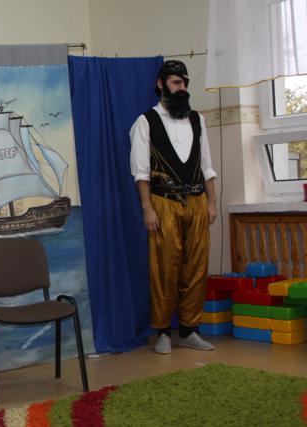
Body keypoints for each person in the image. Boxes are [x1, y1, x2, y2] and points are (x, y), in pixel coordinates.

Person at [129, 60, 217, 355]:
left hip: (197, 201)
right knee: (165, 268)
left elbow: (207, 166)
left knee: (197, 266)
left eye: (185, 83)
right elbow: (141, 172)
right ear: (161, 84)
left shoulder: (197, 120)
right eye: (177, 82)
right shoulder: (145, 122)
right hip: (163, 202)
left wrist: (212, 202)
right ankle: (163, 331)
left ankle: (190, 330)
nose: (182, 88)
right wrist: (147, 208)